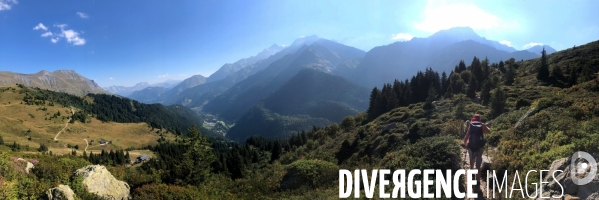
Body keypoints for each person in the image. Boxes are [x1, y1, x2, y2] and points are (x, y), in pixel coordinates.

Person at [463, 113, 491, 182]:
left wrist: (466, 144)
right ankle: (478, 182)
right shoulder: (482, 125)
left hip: (471, 146)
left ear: (473, 118)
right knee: (478, 165)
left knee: (471, 162)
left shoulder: (471, 125)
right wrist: (485, 126)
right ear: (479, 118)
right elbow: (489, 131)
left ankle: (472, 175)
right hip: (480, 147)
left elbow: (466, 137)